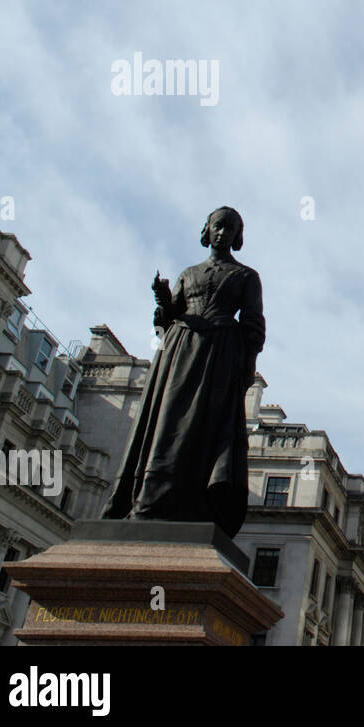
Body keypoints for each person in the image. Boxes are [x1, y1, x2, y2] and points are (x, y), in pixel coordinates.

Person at [105, 206, 265, 537]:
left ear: (238, 237)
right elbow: (167, 319)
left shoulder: (247, 277)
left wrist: (244, 367)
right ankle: (148, 498)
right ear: (206, 230)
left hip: (219, 354)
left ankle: (193, 500)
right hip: (179, 350)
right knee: (166, 422)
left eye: (231, 229)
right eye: (218, 226)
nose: (223, 233)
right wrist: (163, 301)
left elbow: (253, 324)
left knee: (204, 425)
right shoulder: (188, 273)